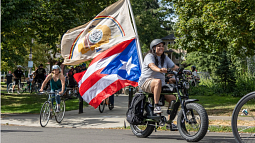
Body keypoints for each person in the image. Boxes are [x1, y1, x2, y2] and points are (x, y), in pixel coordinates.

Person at [138, 39, 179, 129]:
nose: (161, 47)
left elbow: (174, 67)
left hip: (160, 84)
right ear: (153, 48)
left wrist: (182, 72)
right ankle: (156, 106)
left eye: (162, 46)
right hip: (146, 82)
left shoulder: (165, 57)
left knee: (174, 99)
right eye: (158, 46)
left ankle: (169, 122)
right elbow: (152, 66)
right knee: (157, 81)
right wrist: (160, 70)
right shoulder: (149, 56)